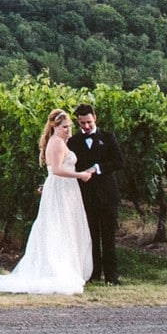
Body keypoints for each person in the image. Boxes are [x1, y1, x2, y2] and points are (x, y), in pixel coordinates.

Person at [0, 108, 94, 295]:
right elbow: (56, 170)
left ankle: (70, 267)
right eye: (65, 127)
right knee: (58, 226)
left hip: (67, 189)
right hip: (61, 189)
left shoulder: (61, 142)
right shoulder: (56, 143)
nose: (68, 130)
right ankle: (56, 269)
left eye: (69, 127)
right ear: (54, 127)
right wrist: (80, 175)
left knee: (68, 227)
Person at [72, 103, 123, 285]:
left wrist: (98, 168)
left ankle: (112, 276)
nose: (86, 127)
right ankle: (94, 273)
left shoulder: (108, 137)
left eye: (88, 122)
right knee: (90, 236)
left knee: (108, 237)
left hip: (108, 195)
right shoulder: (74, 141)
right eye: (82, 123)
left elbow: (118, 162)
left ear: (95, 118)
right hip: (86, 196)